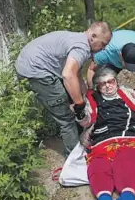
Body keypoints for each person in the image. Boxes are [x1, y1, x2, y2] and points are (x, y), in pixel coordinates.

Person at [15, 21, 112, 158]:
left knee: (72, 97)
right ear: (93, 36)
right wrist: (79, 105)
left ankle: (79, 137)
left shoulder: (79, 39)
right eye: (103, 44)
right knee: (66, 117)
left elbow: (76, 73)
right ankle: (74, 157)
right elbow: (68, 74)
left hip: (28, 63)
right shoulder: (81, 47)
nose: (103, 48)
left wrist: (86, 93)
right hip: (35, 71)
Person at [75, 65, 135, 200]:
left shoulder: (132, 95)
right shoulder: (92, 100)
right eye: (103, 84)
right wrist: (80, 112)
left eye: (111, 81)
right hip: (103, 141)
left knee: (127, 159)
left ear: (116, 81)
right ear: (98, 87)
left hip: (132, 137)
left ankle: (127, 197)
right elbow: (86, 122)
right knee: (98, 164)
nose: (108, 86)